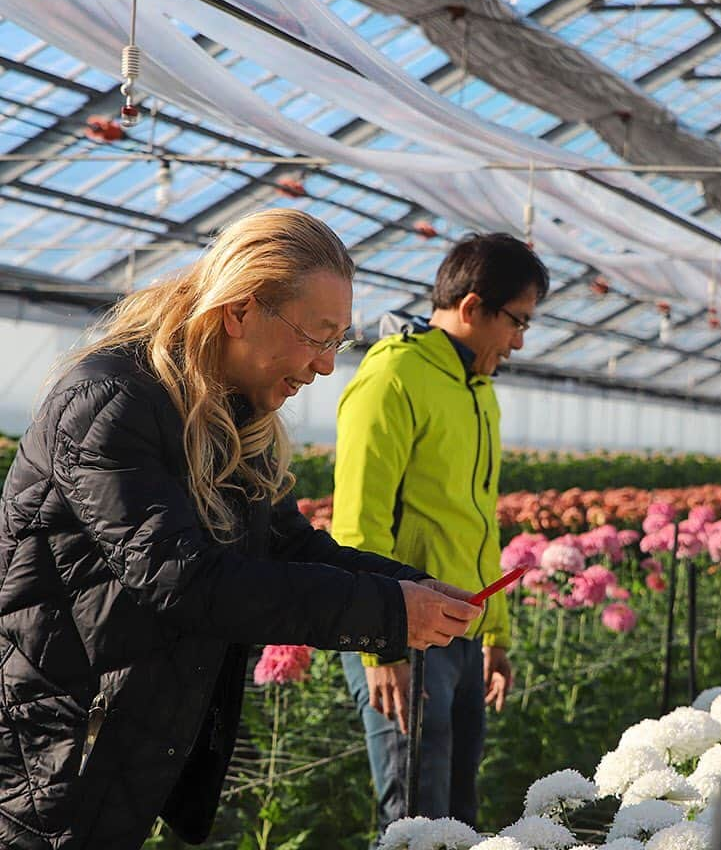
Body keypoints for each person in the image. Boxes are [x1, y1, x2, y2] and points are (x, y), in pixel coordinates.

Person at [0, 209, 481, 850]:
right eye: (318, 336)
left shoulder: (229, 414)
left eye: (337, 342)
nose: (325, 365)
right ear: (240, 312)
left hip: (118, 738)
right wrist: (390, 612)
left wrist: (416, 588)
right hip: (53, 750)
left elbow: (291, 545)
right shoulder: (109, 401)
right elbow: (187, 579)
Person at [333, 232, 549, 833]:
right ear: (474, 307)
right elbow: (358, 524)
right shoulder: (394, 377)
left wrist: (495, 633)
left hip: (461, 630)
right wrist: (382, 646)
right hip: (404, 630)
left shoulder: (478, 390)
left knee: (458, 812)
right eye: (517, 321)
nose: (520, 340)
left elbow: (479, 521)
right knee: (415, 818)